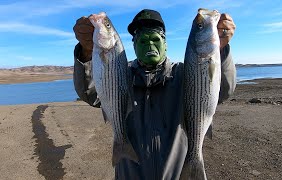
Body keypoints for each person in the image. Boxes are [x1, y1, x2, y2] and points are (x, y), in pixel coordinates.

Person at [73, 9, 236, 180]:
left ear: (165, 44)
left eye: (155, 39)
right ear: (134, 46)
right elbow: (90, 93)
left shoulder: (186, 73)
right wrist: (85, 54)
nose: (149, 45)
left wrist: (222, 50)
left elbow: (223, 90)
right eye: (142, 40)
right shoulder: (120, 74)